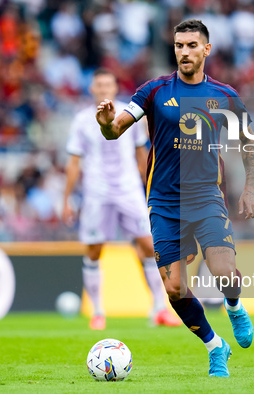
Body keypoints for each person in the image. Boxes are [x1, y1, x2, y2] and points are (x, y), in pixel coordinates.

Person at [95, 19, 254, 377]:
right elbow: (116, 130)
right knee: (173, 289)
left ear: (206, 50)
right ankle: (216, 347)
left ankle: (234, 306)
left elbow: (248, 140)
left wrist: (250, 187)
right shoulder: (154, 91)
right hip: (165, 204)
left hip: (206, 198)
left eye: (190, 45)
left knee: (225, 273)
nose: (184, 51)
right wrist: (107, 123)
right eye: (178, 45)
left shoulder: (224, 95)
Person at [63, 68, 180, 330]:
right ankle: (98, 311)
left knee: (150, 246)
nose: (104, 89)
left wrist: (150, 187)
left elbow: (141, 154)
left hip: (128, 189)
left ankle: (159, 309)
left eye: (108, 85)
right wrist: (66, 199)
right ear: (92, 89)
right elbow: (73, 162)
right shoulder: (82, 120)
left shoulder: (130, 115)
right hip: (96, 191)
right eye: (99, 85)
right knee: (95, 250)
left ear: (115, 88)